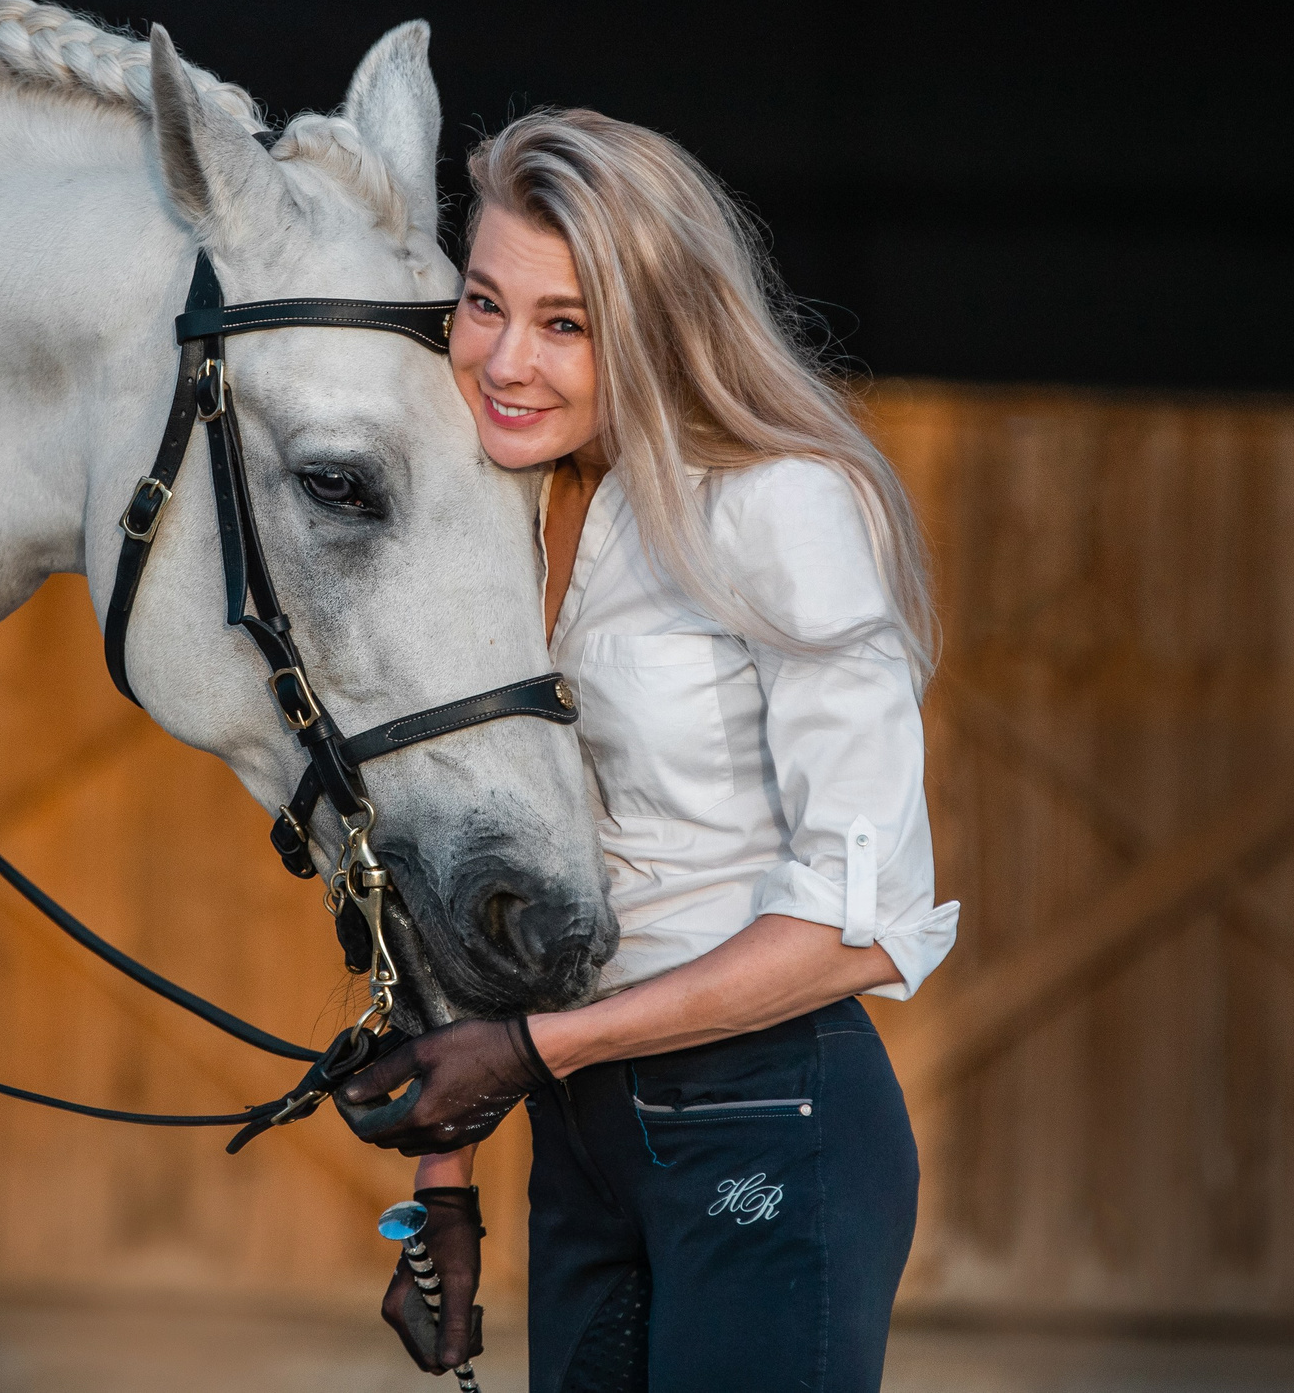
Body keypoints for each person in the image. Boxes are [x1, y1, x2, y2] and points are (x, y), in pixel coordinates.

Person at [338, 109, 958, 1392]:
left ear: (657, 325)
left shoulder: (779, 504)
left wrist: (528, 1052)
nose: (505, 361)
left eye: (566, 323)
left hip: (768, 1126)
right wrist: (439, 1190)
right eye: (484, 305)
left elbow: (859, 924)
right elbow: (476, 860)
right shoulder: (489, 514)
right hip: (580, 1135)